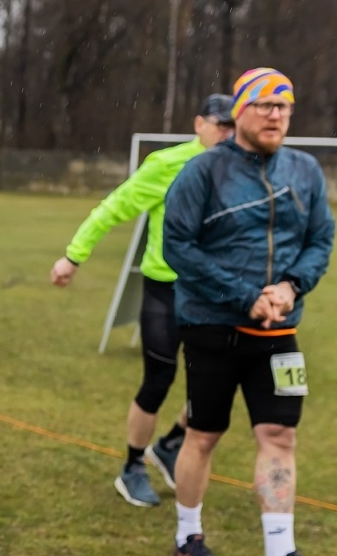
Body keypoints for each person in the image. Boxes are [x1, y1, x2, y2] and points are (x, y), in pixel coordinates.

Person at [161, 67, 337, 556]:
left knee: (280, 435)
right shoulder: (203, 172)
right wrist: (245, 297)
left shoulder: (306, 170)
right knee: (205, 433)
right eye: (265, 105)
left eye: (284, 106)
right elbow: (178, 247)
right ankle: (187, 539)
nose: (276, 115)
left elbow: (320, 240)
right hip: (212, 326)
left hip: (279, 334)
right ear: (240, 110)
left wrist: (290, 287)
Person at [51, 94, 234, 507]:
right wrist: (73, 256)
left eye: (232, 125)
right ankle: (132, 466)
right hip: (165, 291)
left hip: (214, 295)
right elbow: (112, 208)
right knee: (159, 379)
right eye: (220, 124)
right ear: (198, 124)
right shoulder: (167, 165)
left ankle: (169, 446)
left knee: (214, 386)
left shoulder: (242, 167)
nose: (227, 132)